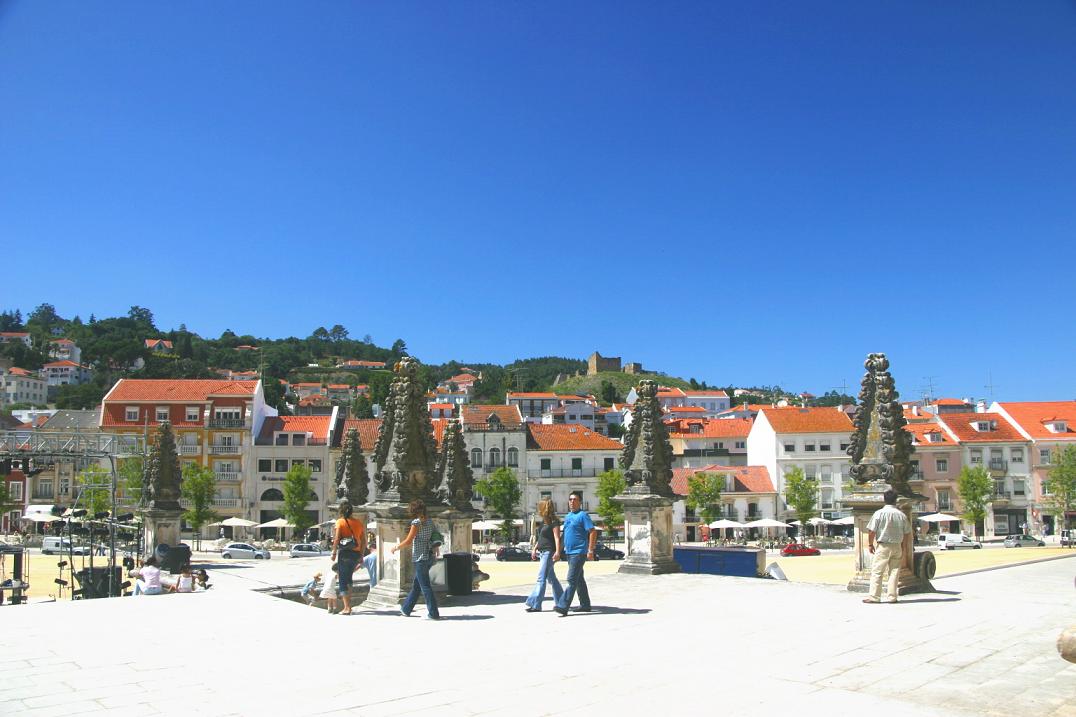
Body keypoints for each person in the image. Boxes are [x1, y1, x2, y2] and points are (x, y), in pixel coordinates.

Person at [392, 499, 440, 620]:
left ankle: (434, 613)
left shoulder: (416, 523)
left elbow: (408, 541)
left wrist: (396, 547)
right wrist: (436, 549)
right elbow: (435, 536)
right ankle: (406, 609)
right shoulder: (430, 521)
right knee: (417, 585)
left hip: (420, 557)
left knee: (425, 586)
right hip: (429, 555)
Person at [863, 489, 911, 604]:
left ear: (884, 500)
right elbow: (907, 533)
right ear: (896, 500)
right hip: (897, 545)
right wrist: (904, 546)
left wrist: (870, 544)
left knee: (877, 571)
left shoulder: (879, 513)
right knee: (894, 571)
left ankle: (875, 596)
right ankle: (892, 596)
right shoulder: (901, 515)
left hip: (883, 545)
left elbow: (872, 531)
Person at [554, 491, 596, 617]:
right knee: (579, 579)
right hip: (569, 552)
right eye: (570, 499)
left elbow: (592, 532)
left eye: (575, 499)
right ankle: (585, 604)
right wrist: (558, 551)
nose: (572, 501)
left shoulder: (583, 515)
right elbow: (564, 535)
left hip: (579, 552)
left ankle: (563, 606)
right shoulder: (568, 516)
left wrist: (590, 550)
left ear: (580, 502)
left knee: (571, 579)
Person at [524, 499, 563, 612]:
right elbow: (541, 538)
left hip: (548, 552)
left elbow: (557, 538)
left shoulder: (554, 522)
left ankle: (535, 604)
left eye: (539, 507)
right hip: (542, 552)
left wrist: (557, 552)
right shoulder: (543, 523)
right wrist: (534, 549)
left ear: (543, 508)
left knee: (541, 578)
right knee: (552, 579)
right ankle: (562, 601)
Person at [331, 500, 366, 615]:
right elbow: (364, 540)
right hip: (355, 554)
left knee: (342, 580)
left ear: (341, 510)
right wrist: (361, 555)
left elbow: (336, 539)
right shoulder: (358, 523)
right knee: (349, 579)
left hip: (345, 553)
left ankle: (347, 607)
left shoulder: (340, 522)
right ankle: (348, 605)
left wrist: (334, 552)